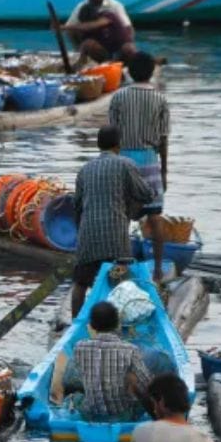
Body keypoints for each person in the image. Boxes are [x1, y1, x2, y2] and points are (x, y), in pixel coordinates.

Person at [71, 125, 158, 316]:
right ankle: (119, 322)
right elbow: (146, 194)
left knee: (81, 283)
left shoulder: (84, 170)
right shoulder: (125, 164)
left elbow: (77, 207)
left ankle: (74, 323)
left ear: (98, 145)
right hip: (115, 238)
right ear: (118, 146)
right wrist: (142, 201)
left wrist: (81, 237)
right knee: (121, 282)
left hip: (88, 237)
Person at [107, 51, 171, 283]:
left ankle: (120, 265)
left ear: (129, 72)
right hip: (149, 159)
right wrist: (164, 171)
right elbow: (163, 138)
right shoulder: (160, 99)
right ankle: (157, 271)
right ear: (152, 72)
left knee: (121, 217)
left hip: (124, 159)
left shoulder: (118, 97)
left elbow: (111, 134)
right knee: (155, 217)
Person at [53, 302, 151, 421]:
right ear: (117, 324)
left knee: (74, 398)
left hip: (91, 414)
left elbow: (68, 380)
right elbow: (146, 383)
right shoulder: (130, 350)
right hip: (123, 415)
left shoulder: (79, 347)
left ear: (92, 326)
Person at [57, 0, 136, 66]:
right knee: (87, 44)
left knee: (128, 48)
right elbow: (71, 30)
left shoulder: (112, 9)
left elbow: (128, 28)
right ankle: (83, 60)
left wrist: (64, 27)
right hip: (101, 48)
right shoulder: (82, 6)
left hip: (118, 48)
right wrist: (78, 49)